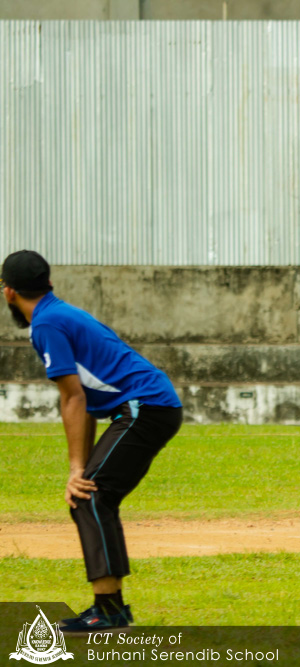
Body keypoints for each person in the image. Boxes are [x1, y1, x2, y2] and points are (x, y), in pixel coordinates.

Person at [2, 250, 183, 633]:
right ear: (49, 284)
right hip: (148, 406)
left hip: (145, 406)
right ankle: (110, 609)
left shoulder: (46, 324)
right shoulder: (57, 313)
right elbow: (82, 400)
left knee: (90, 497)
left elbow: (73, 398)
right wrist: (80, 469)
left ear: (9, 292)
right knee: (93, 496)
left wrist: (75, 471)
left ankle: (109, 612)